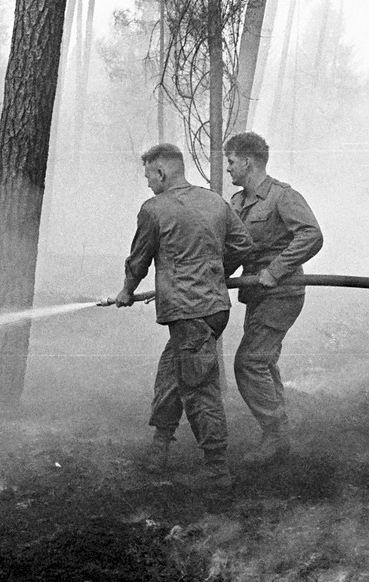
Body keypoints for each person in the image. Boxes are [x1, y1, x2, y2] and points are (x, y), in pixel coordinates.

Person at [116, 143, 254, 488]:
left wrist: (126, 292)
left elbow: (138, 261)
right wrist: (214, 271)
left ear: (161, 173)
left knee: (198, 388)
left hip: (189, 313)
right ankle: (160, 447)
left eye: (149, 175)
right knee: (171, 375)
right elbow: (242, 245)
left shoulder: (153, 209)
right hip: (213, 310)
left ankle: (217, 469)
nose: (148, 183)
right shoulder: (215, 201)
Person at [223, 132, 324, 462]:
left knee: (249, 362)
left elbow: (311, 235)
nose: (228, 169)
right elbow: (236, 248)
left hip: (282, 292)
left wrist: (276, 269)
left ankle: (275, 435)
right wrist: (212, 277)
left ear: (248, 162)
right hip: (257, 294)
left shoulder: (283, 196)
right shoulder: (237, 203)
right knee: (263, 360)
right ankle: (280, 438)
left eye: (232, 162)